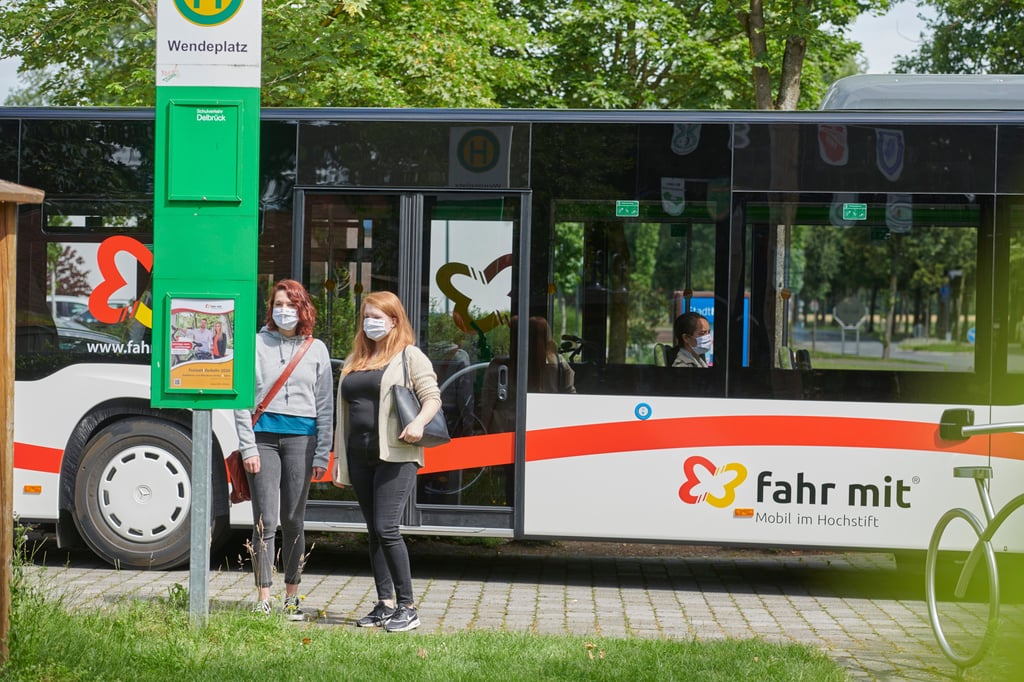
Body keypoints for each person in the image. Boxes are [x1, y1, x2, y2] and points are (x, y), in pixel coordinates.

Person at [332, 290, 441, 633]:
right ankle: (385, 604)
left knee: (386, 527)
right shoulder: (356, 359)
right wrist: (340, 463)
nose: (370, 323)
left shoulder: (410, 357)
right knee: (373, 532)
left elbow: (432, 397)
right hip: (360, 455)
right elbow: (345, 413)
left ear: (394, 320)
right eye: (366, 317)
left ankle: (408, 606)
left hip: (396, 454)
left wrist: (418, 422)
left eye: (377, 317)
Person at [233, 279, 333, 620]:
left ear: (302, 309)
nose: (284, 311)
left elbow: (325, 405)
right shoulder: (255, 343)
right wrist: (248, 447)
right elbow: (242, 399)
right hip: (262, 440)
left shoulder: (315, 349)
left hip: (301, 443)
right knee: (265, 520)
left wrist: (322, 452)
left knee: (293, 519)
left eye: (291, 305)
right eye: (278, 305)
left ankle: (292, 595)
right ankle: (264, 595)